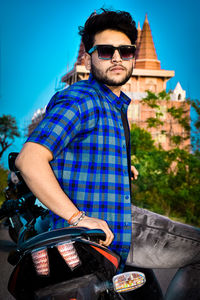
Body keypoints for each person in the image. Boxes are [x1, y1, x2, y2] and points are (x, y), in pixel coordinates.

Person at [16, 9, 200, 300]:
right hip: (109, 225)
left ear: (132, 58)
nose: (116, 57)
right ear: (89, 58)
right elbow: (29, 159)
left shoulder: (114, 106)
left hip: (113, 236)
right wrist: (78, 218)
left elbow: (83, 156)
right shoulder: (82, 98)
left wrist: (124, 167)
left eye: (125, 51)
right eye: (105, 50)